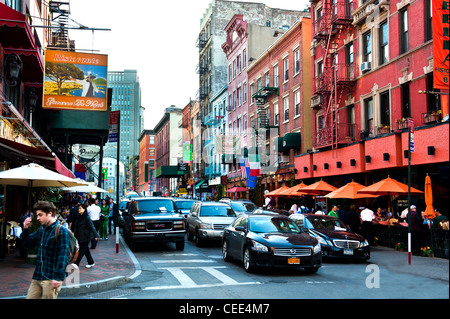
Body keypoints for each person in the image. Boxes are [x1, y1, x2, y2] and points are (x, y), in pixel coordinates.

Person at [20, 201, 70, 299]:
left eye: (40, 215)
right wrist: (25, 229)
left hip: (51, 278)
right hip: (38, 276)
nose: (37, 218)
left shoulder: (61, 231)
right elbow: (27, 244)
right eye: (37, 215)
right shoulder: (41, 229)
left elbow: (63, 256)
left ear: (50, 213)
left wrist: (57, 277)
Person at [73, 203, 99, 268]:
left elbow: (92, 227)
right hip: (80, 236)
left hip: (86, 236)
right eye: (78, 208)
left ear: (84, 209)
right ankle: (91, 262)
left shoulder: (87, 217)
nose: (78, 210)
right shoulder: (79, 217)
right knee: (86, 249)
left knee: (82, 250)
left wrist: (96, 235)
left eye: (80, 208)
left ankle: (76, 263)